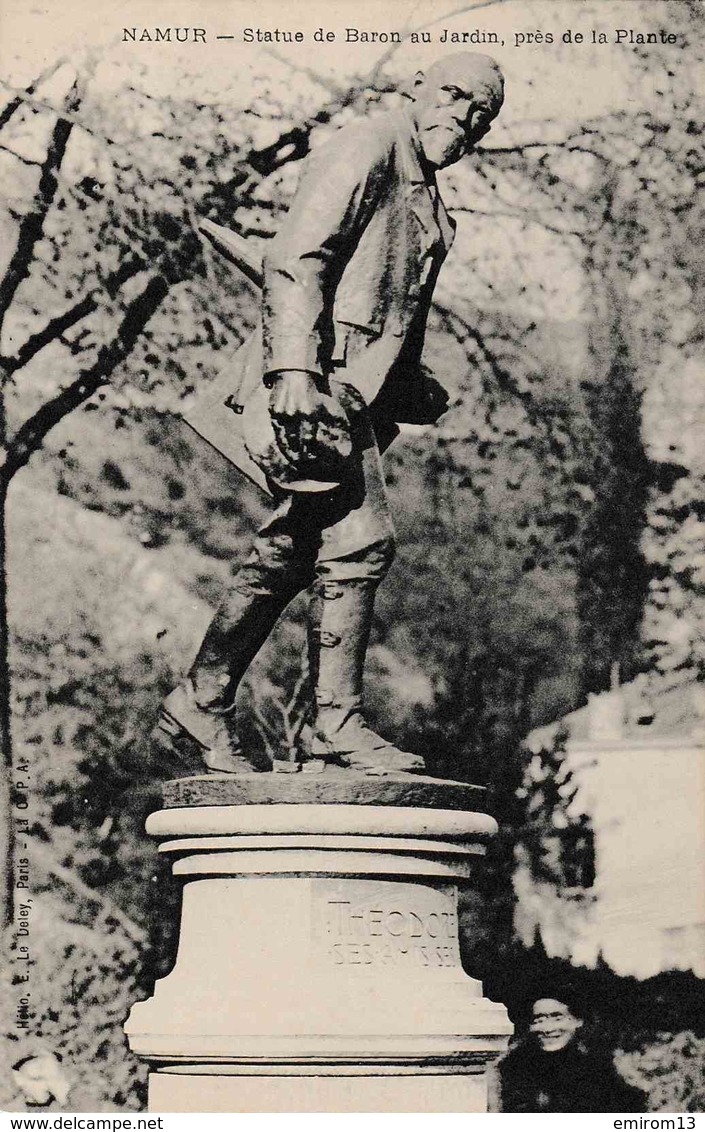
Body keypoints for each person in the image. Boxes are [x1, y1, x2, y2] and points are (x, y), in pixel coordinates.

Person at [156, 53, 505, 774]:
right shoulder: (368, 143)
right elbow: (297, 258)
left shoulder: (427, 196)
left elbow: (375, 305)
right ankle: (332, 727)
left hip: (350, 399)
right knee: (361, 544)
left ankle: (202, 697)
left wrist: (411, 383)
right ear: (416, 87)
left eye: (481, 114)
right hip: (312, 390)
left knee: (288, 551)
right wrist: (291, 369)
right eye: (456, 96)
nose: (464, 120)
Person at [491, 992, 647, 1113]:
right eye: (539, 1020)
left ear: (578, 1021)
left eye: (557, 1018)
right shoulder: (514, 1067)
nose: (548, 1029)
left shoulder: (601, 1067)